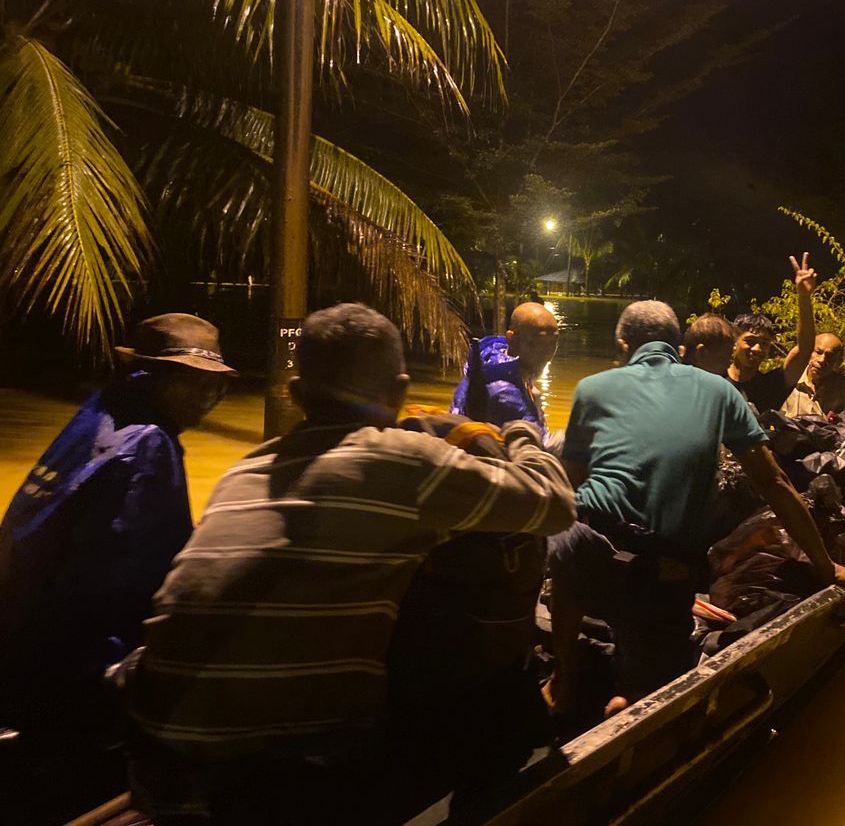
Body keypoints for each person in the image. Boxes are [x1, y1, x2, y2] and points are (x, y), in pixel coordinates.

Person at [125, 303, 576, 824]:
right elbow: (554, 507)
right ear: (402, 391)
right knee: (500, 713)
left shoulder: (243, 471)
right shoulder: (403, 461)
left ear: (296, 396)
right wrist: (517, 433)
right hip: (280, 775)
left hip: (157, 758)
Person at [546, 301, 845, 718]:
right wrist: (825, 565)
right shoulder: (721, 391)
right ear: (679, 347)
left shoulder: (592, 388)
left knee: (569, 541)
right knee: (646, 696)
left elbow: (568, 485)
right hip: (658, 571)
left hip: (587, 558)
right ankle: (631, 698)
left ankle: (563, 674)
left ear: (623, 345)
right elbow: (774, 483)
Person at [0, 313, 234, 823]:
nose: (206, 397)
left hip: (22, 646)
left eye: (213, 385)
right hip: (77, 670)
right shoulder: (147, 447)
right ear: (149, 378)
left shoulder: (95, 417)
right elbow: (148, 581)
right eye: (191, 381)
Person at [451, 301, 560, 439]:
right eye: (536, 343)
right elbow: (539, 445)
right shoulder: (505, 393)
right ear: (512, 339)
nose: (547, 352)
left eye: (553, 342)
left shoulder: (498, 359)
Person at [727, 253, 817, 411]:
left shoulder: (770, 385)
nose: (757, 349)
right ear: (734, 341)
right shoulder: (714, 379)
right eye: (750, 341)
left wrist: (804, 297)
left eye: (764, 344)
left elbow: (805, 349)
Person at [780, 333, 845, 418]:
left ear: (838, 360)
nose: (822, 360)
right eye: (818, 352)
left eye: (830, 356)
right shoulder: (787, 383)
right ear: (809, 352)